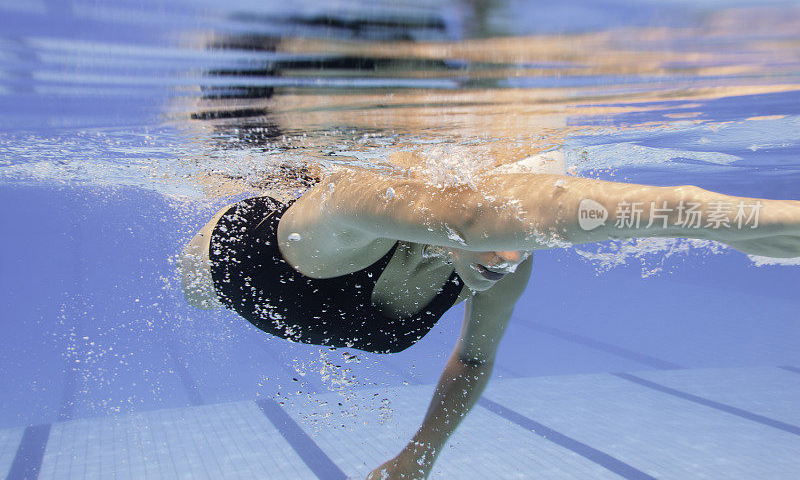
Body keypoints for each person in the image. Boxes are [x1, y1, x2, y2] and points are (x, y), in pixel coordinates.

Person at [180, 155, 800, 479]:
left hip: (323, 292)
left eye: (523, 244)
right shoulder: (361, 204)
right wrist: (714, 218)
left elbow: (475, 358)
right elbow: (478, 215)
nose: (508, 257)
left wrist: (419, 455)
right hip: (242, 267)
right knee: (190, 290)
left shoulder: (505, 264)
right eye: (512, 230)